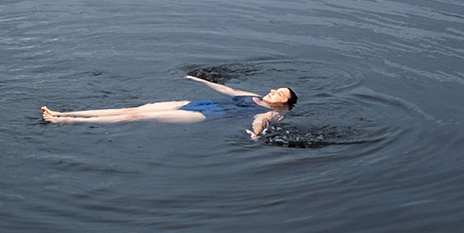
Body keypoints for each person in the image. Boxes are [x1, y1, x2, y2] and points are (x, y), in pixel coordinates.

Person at [41, 76, 298, 138]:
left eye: (279, 93)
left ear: (283, 103)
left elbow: (261, 124)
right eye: (276, 88)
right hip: (198, 103)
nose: (273, 91)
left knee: (134, 117)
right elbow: (227, 91)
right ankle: (63, 112)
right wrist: (198, 79)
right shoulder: (252, 95)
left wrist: (255, 134)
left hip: (204, 115)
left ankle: (63, 120)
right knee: (138, 108)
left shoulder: (270, 112)